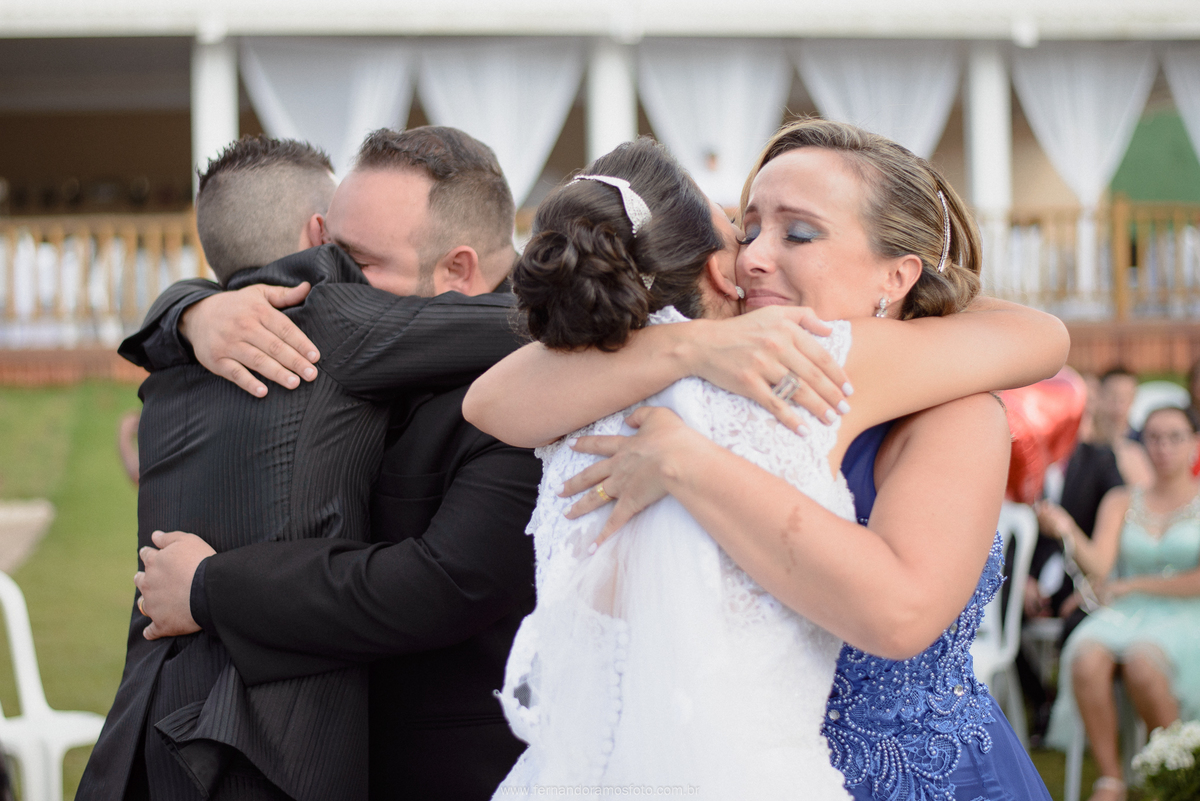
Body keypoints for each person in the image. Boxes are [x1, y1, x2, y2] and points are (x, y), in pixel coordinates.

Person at [464, 122, 1064, 799]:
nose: (751, 258)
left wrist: (686, 462)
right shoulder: (704, 366)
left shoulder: (952, 411)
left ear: (897, 274)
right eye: (747, 231)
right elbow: (493, 401)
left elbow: (902, 614)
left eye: (799, 234)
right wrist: (690, 347)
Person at [86, 130, 533, 801]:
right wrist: (191, 312)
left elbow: (440, 584)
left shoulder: (541, 387)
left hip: (445, 768)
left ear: (458, 270)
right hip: (251, 744)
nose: (328, 272)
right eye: (328, 250)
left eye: (355, 259)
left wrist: (210, 586)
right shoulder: (291, 326)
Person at [1046, 404, 1200, 801]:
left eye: (1175, 437)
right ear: (1142, 443)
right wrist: (1066, 528)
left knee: (1142, 662)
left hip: (1186, 612)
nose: (1163, 447)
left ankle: (1175, 774)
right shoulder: (1121, 500)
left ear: (1194, 442)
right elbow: (1099, 564)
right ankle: (1111, 778)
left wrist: (1130, 585)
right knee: (1086, 654)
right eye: (1154, 437)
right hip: (1129, 611)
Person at [1095, 367, 1153, 487]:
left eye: (1125, 396)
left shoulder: (1145, 441)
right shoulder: (1088, 442)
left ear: (1134, 397)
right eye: (1112, 395)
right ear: (1100, 395)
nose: (1118, 403)